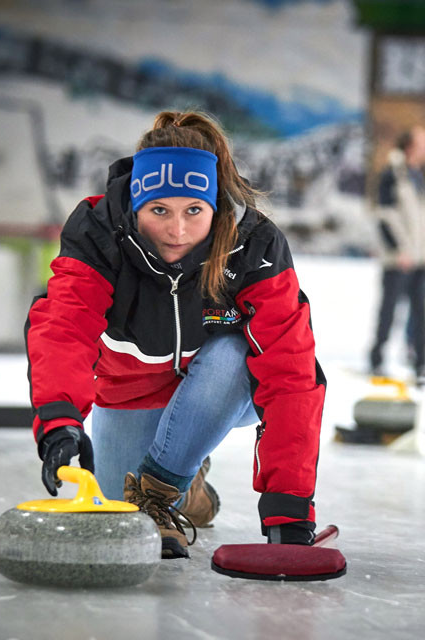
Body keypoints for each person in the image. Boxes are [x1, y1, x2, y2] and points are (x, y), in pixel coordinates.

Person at [25, 111, 326, 559]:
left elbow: (291, 372)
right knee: (118, 509)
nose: (177, 230)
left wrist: (289, 508)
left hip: (223, 389)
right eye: (159, 210)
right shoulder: (99, 232)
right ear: (135, 204)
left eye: (194, 211)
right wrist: (58, 421)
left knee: (233, 348)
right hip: (130, 393)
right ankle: (189, 484)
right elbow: (64, 326)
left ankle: (164, 482)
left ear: (215, 206)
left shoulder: (254, 246)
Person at [369, 126, 425, 383]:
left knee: (422, 311)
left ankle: (420, 363)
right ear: (410, 146)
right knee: (389, 310)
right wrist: (397, 249)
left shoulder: (420, 175)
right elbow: (384, 216)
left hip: (420, 258)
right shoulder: (393, 174)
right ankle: (377, 358)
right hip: (399, 258)